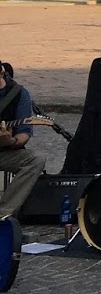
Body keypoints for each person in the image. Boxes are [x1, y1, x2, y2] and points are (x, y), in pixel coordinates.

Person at [0, 60, 46, 222]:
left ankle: (3, 214)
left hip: (4, 153)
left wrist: (10, 141)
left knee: (36, 159)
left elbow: (24, 134)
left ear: (1, 72)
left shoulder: (18, 94)